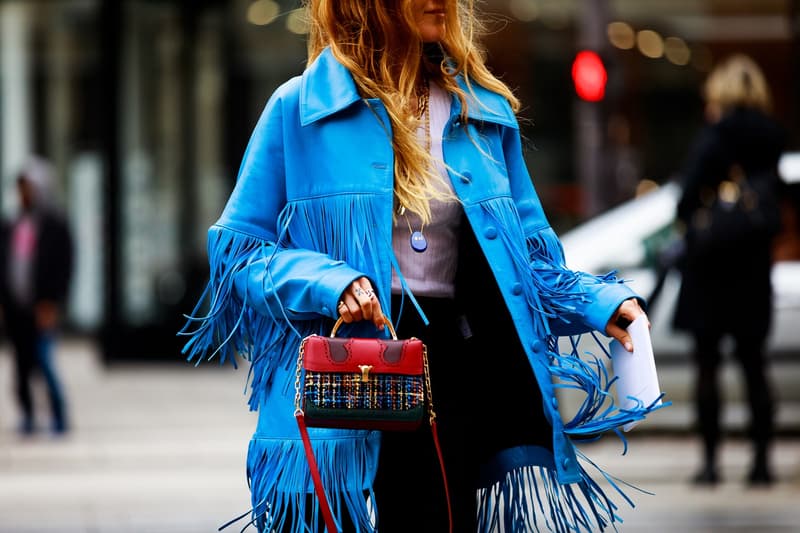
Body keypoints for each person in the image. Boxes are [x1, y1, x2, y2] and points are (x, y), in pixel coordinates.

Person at [182, 1, 656, 531]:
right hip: (340, 362)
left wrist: (600, 302)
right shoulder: (297, 110)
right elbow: (240, 255)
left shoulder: (482, 112)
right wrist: (330, 283)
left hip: (448, 366)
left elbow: (528, 263)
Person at [673, 54, 785, 486]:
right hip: (754, 269)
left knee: (707, 366)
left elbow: (685, 202)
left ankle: (710, 463)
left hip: (710, 269)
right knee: (755, 364)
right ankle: (761, 464)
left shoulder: (715, 136)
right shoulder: (773, 137)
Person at [0, 156, 74, 435]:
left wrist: (54, 301)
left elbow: (64, 267)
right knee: (19, 366)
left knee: (44, 361)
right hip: (16, 307)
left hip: (43, 306)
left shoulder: (55, 224)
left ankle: (58, 415)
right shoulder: (12, 223)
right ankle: (28, 415)